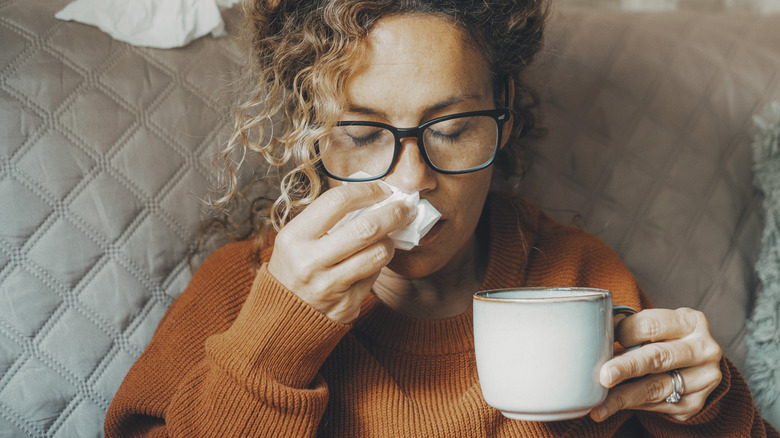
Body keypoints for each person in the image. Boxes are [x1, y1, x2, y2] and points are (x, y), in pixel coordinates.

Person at [104, 0, 779, 436]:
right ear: (312, 134)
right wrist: (271, 346)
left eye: (453, 127)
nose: (411, 179)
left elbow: (679, 403)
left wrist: (707, 409)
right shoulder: (246, 290)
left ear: (505, 115)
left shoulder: (577, 276)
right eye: (365, 133)